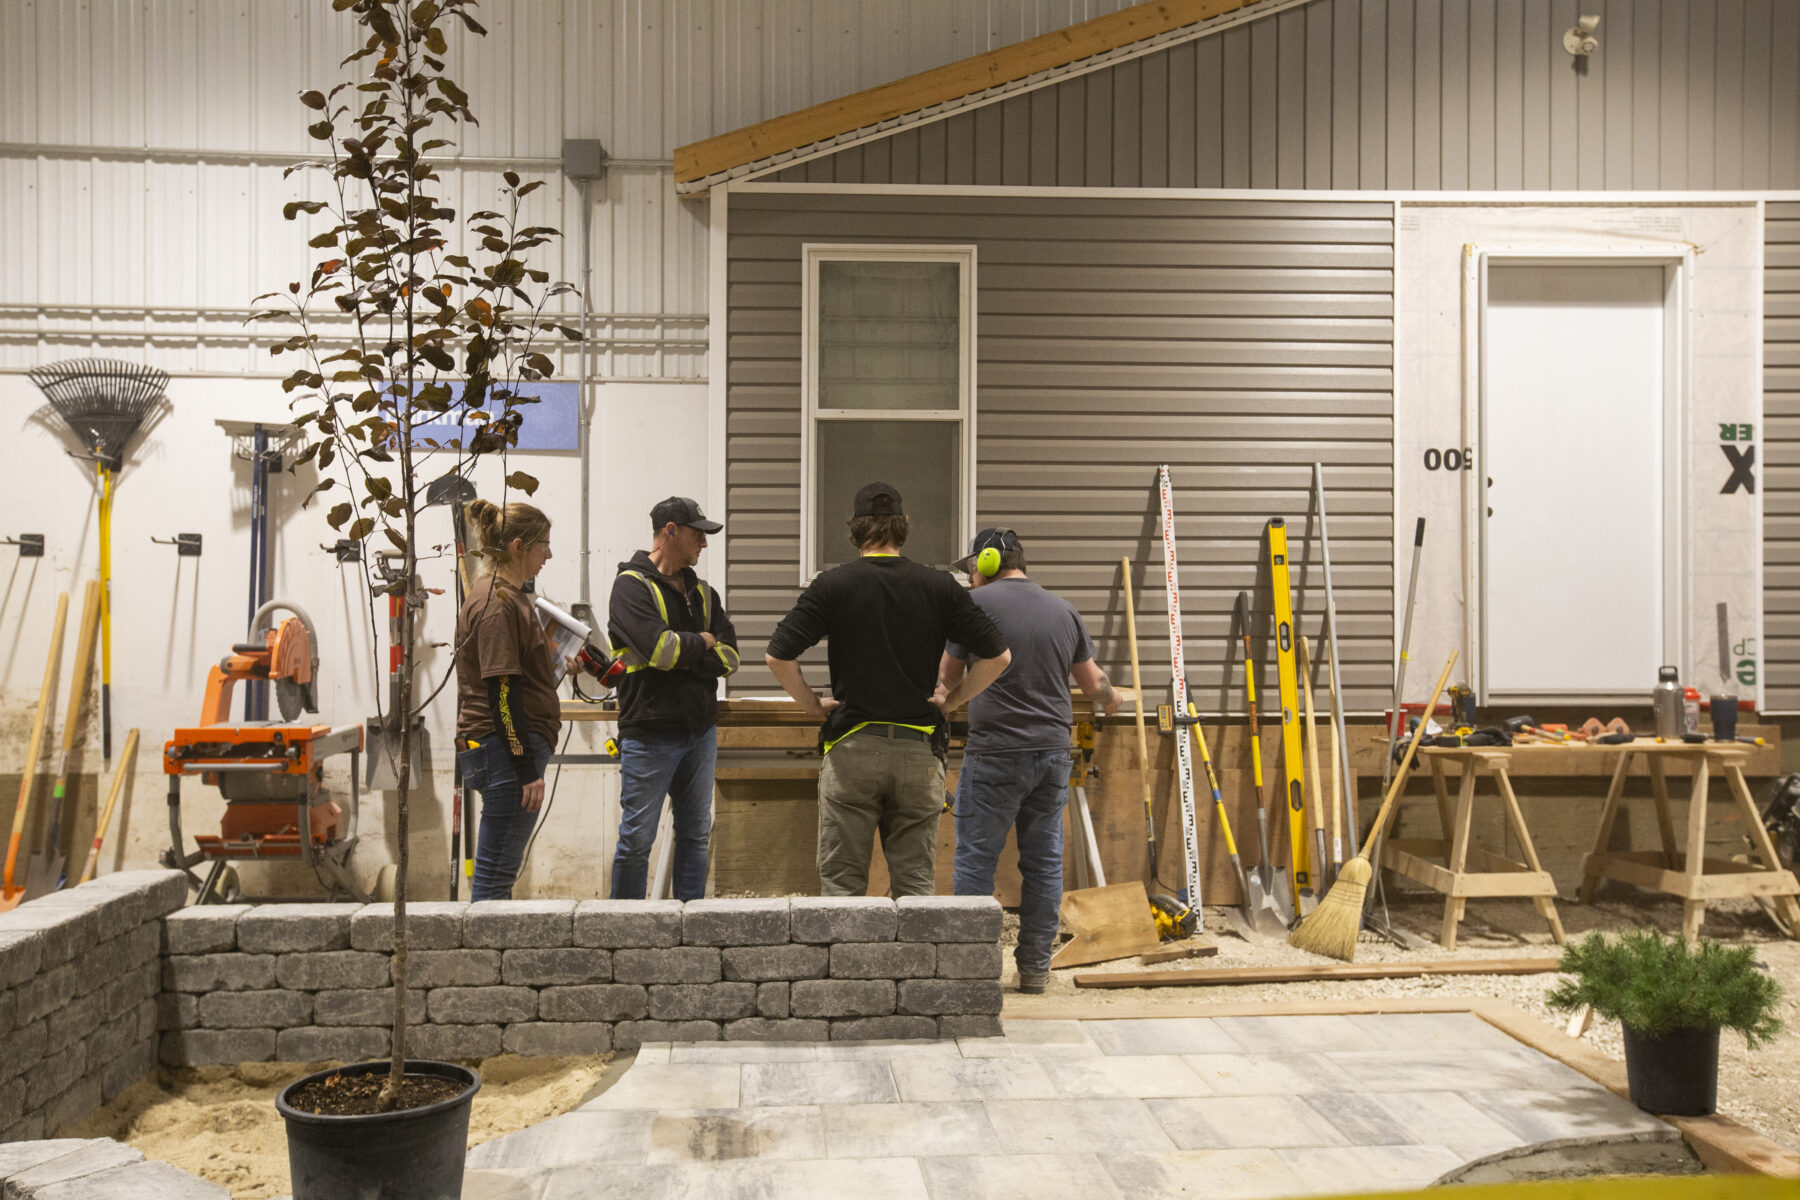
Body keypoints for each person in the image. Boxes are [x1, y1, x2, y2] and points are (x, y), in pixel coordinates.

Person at [765, 482, 1012, 897]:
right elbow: (999, 657)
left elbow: (777, 655)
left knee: (842, 889)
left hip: (851, 752)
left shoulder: (833, 585)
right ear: (905, 525)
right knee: (915, 889)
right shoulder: (939, 587)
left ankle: (846, 963)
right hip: (918, 754)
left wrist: (810, 704)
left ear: (855, 528)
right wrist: (951, 701)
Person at [939, 528, 1122, 993]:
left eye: (971, 572)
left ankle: (971, 973)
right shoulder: (1064, 610)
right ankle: (1036, 971)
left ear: (985, 565)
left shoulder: (974, 608)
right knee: (1043, 864)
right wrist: (1113, 696)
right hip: (1051, 754)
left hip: (994, 751)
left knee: (976, 861)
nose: (970, 582)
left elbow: (946, 677)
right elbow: (1093, 686)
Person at [607, 496, 739, 899]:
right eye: (698, 534)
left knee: (696, 835)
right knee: (636, 840)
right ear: (670, 531)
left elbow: (730, 657)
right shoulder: (630, 588)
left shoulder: (705, 594)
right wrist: (702, 643)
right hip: (649, 731)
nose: (704, 543)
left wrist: (685, 653)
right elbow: (661, 650)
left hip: (699, 732)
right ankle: (624, 933)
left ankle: (690, 929)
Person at [455, 498, 564, 901]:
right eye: (543, 545)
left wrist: (556, 669)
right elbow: (501, 691)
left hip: (503, 748)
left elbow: (513, 676)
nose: (548, 555)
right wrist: (525, 768)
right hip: (504, 751)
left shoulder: (506, 596)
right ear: (518, 547)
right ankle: (486, 963)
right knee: (494, 879)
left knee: (497, 875)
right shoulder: (497, 604)